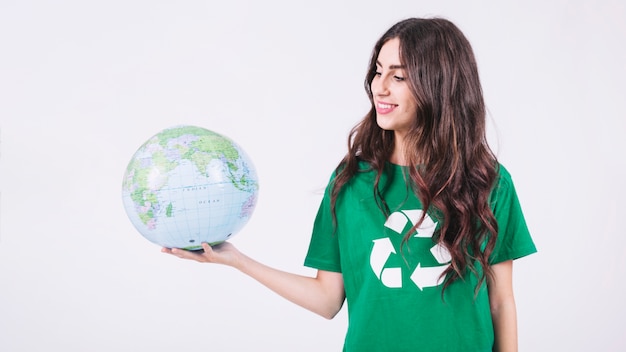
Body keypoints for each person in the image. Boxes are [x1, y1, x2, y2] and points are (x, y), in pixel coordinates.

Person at [162, 17, 537, 352]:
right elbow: (327, 299)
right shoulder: (351, 182)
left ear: (439, 85)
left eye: (399, 75)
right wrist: (237, 260)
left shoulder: (487, 182)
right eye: (378, 71)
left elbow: (500, 302)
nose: (380, 87)